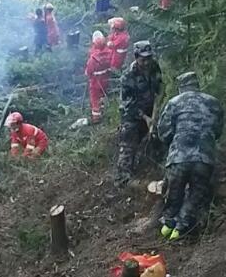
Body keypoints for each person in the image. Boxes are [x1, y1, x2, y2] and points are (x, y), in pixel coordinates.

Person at [157, 72, 224, 240]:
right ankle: (181, 230)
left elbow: (163, 132)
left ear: (181, 87)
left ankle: (166, 227)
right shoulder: (213, 102)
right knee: (195, 194)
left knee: (174, 194)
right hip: (205, 158)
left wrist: (174, 142)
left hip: (179, 157)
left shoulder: (174, 103)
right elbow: (217, 131)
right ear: (196, 85)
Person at [114, 40, 164, 188]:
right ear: (136, 57)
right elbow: (128, 105)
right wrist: (146, 118)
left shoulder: (154, 66)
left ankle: (156, 160)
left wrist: (154, 115)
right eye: (143, 59)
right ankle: (123, 178)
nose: (147, 62)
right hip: (132, 115)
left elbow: (159, 89)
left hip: (150, 110)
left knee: (159, 132)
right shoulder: (128, 77)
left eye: (149, 58)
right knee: (129, 140)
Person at [85, 31, 112, 124]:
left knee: (95, 99)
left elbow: (88, 72)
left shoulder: (93, 58)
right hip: (106, 80)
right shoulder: (109, 53)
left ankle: (96, 119)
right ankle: (104, 112)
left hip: (95, 82)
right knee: (103, 96)